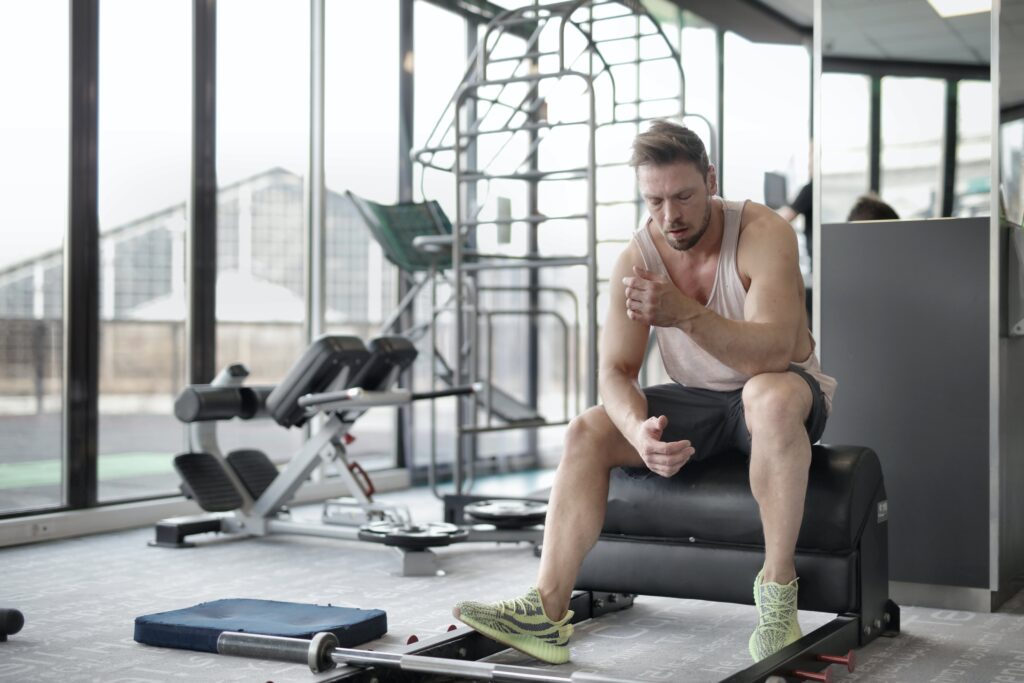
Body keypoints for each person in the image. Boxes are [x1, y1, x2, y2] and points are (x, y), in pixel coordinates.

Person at [452, 120, 837, 666]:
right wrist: (637, 431)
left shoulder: (763, 232)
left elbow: (773, 354)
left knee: (766, 396)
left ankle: (777, 595)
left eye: (683, 196)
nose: (669, 214)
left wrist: (685, 313)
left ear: (711, 181)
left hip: (784, 391)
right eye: (654, 201)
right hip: (699, 400)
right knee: (588, 429)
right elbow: (615, 370)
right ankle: (546, 611)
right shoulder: (636, 259)